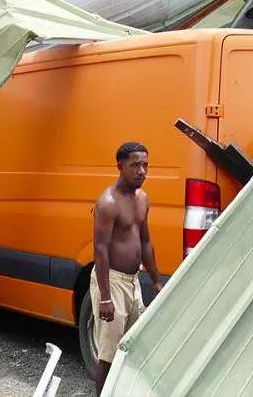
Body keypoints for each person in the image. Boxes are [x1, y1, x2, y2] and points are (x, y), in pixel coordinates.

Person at [90, 141, 162, 392]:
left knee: (133, 347)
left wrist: (155, 281)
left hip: (133, 283)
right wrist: (105, 298)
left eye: (145, 165)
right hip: (111, 281)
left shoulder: (143, 199)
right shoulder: (108, 202)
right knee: (108, 355)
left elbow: (146, 242)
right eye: (135, 165)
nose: (142, 171)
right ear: (120, 166)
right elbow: (99, 250)